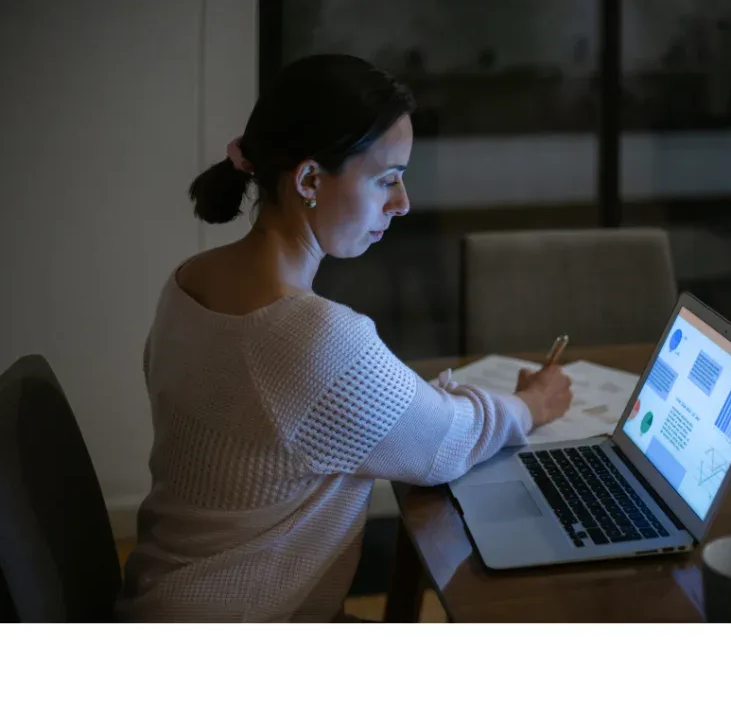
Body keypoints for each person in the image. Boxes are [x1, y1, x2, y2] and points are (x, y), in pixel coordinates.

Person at [115, 54, 573, 622]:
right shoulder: (313, 337)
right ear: (309, 179)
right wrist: (531, 403)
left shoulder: (188, 281)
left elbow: (302, 416)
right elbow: (446, 445)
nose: (402, 202)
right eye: (386, 179)